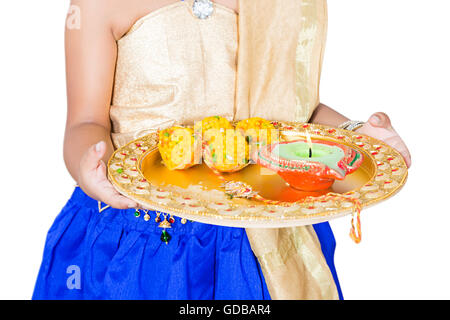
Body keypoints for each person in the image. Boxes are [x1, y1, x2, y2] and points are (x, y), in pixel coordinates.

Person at [32, 0, 411, 300]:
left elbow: (294, 117)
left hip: (255, 241)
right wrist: (90, 167)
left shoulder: (279, 5)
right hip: (139, 239)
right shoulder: (99, 4)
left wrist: (355, 133)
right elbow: (84, 122)